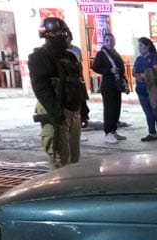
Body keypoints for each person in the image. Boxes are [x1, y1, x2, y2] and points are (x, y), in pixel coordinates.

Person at [28, 17, 87, 169]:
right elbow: (41, 88)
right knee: (60, 162)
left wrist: (83, 109)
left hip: (72, 110)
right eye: (63, 35)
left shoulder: (69, 56)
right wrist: (57, 112)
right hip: (55, 111)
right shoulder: (39, 57)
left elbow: (78, 83)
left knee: (74, 161)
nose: (67, 39)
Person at [92, 33, 129, 144]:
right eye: (107, 40)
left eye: (112, 40)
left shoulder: (116, 54)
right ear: (104, 42)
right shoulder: (101, 54)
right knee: (109, 109)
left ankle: (113, 131)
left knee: (117, 108)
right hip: (108, 85)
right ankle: (108, 132)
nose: (110, 42)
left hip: (116, 84)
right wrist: (109, 70)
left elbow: (121, 69)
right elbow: (95, 67)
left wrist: (124, 82)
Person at [133, 37, 157, 142]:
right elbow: (134, 72)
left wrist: (143, 75)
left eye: (141, 45)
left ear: (148, 46)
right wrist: (137, 75)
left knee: (155, 111)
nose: (140, 47)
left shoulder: (155, 58)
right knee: (148, 112)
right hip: (141, 89)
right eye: (139, 45)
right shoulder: (138, 59)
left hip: (153, 89)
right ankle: (152, 132)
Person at [64, 30, 90, 130]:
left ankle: (83, 119)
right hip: (67, 80)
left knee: (81, 100)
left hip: (76, 77)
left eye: (68, 37)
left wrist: (81, 78)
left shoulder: (76, 50)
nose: (66, 39)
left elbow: (79, 65)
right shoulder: (60, 52)